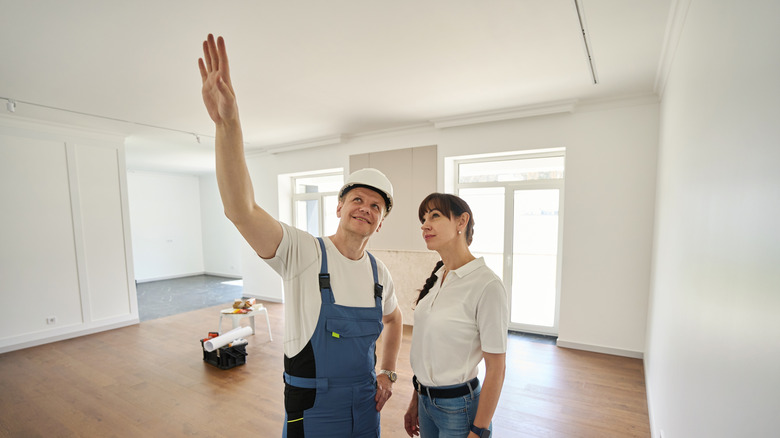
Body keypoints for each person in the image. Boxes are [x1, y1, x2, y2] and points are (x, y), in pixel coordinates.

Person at [198, 34, 403, 438]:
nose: (365, 208)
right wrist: (228, 124)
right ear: (339, 208)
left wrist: (388, 374)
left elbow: (394, 319)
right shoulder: (302, 252)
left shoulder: (381, 275)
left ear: (380, 223)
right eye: (357, 199)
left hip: (366, 403)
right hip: (313, 406)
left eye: (376, 206)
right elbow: (241, 209)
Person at [403, 193, 509, 438]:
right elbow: (426, 347)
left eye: (435, 215)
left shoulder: (487, 285)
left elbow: (497, 368)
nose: (424, 225)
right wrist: (415, 401)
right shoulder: (440, 275)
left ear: (462, 222)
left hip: (459, 408)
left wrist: (479, 430)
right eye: (424, 218)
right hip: (425, 402)